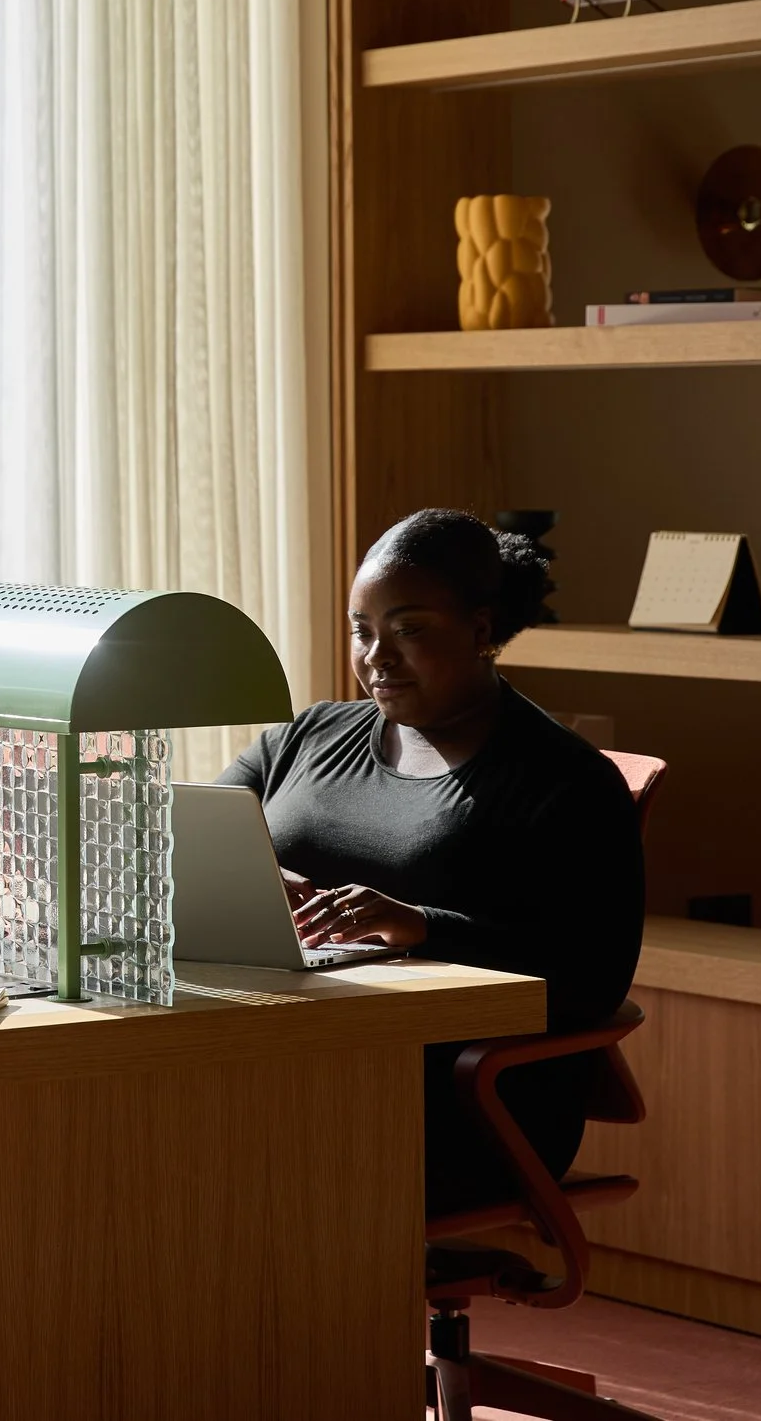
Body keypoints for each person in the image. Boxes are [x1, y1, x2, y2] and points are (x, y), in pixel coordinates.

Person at [217, 507, 644, 1214]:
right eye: (363, 630)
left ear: (480, 630)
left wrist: (422, 925)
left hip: (455, 1102)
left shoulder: (566, 781)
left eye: (408, 629)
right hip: (285, 1057)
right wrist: (253, 878)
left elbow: (591, 976)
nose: (376, 656)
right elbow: (186, 834)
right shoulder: (307, 736)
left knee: (199, 1151)